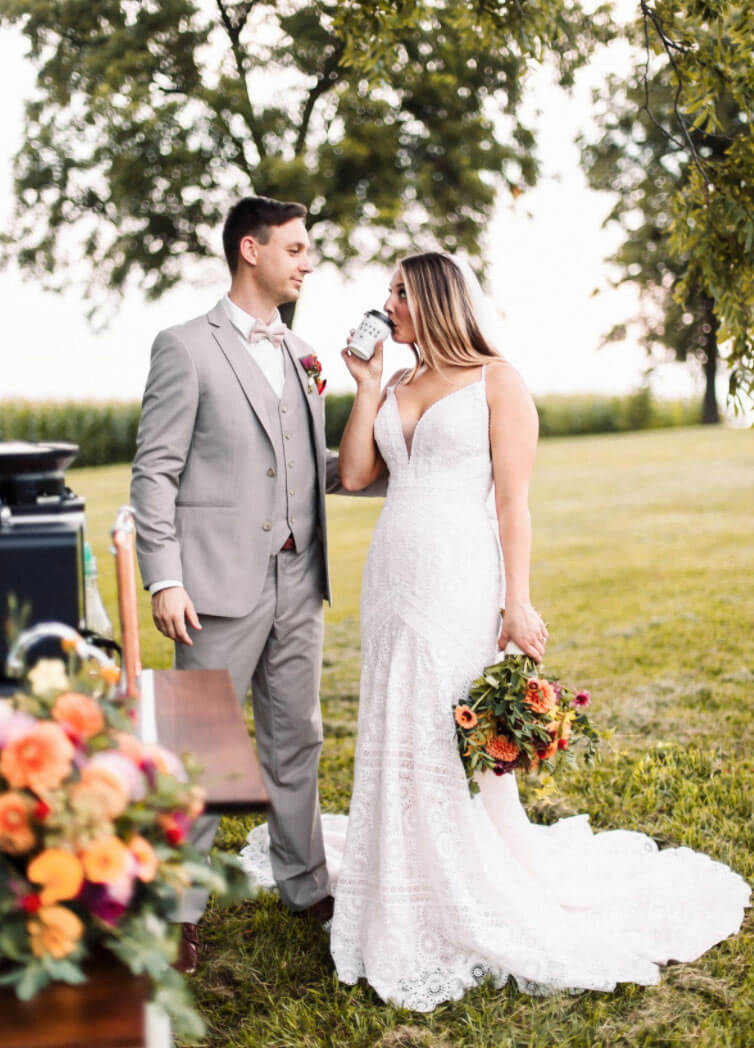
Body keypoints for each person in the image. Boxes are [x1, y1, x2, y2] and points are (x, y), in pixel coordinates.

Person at [244, 251, 749, 1010]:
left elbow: (514, 504)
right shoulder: (400, 380)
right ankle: (398, 874)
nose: (388, 307)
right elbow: (351, 476)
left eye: (401, 294)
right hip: (392, 571)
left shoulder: (497, 381)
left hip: (459, 571)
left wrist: (518, 602)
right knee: (397, 715)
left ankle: (462, 880)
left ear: (438, 299)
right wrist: (368, 384)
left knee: (447, 719)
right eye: (388, 294)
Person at [131, 195, 344, 974]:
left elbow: (301, 468)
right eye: (295, 248)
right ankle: (181, 912)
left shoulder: (305, 354)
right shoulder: (185, 347)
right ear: (250, 250)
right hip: (212, 585)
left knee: (300, 738)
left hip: (300, 577)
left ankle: (306, 883)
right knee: (203, 754)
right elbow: (154, 472)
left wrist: (375, 466)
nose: (307, 261)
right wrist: (165, 578)